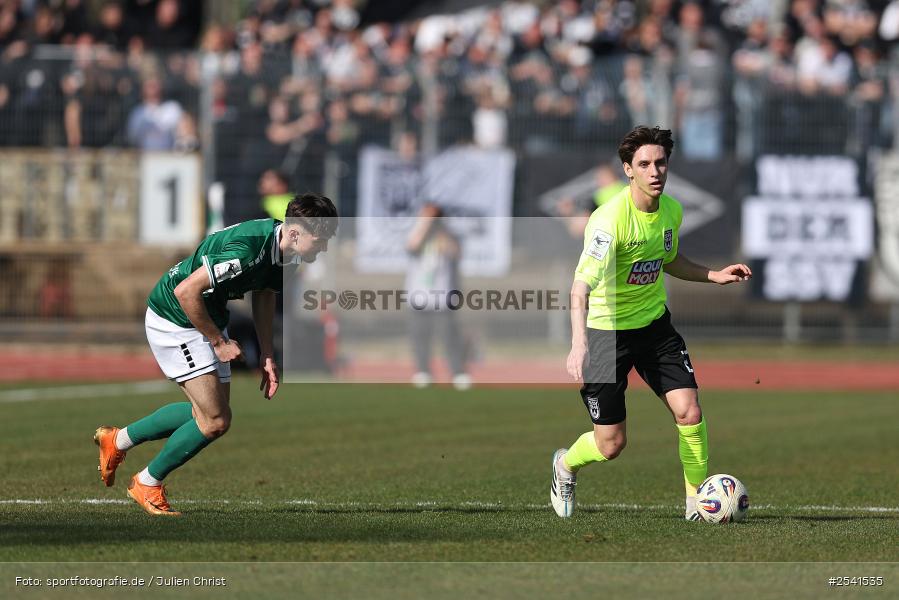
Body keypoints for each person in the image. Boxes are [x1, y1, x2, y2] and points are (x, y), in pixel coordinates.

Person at [550, 126, 751, 520]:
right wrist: (579, 342)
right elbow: (579, 288)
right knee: (611, 444)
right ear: (628, 170)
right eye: (644, 164)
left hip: (655, 328)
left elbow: (669, 259)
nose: (655, 171)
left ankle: (697, 503)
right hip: (606, 335)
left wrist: (714, 275)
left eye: (660, 163)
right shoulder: (609, 222)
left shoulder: (672, 211)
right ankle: (565, 465)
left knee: (689, 411)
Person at [94, 193, 338, 516]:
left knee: (211, 414)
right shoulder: (248, 251)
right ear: (295, 232)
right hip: (176, 318)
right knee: (215, 420)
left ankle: (117, 441)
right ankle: (147, 482)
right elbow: (186, 291)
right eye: (320, 242)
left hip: (207, 316)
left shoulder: (287, 253)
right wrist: (218, 342)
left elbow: (265, 292)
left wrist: (267, 353)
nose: (322, 250)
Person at [405, 203, 470, 391]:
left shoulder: (448, 234)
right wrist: (425, 223)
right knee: (420, 336)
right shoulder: (417, 232)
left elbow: (456, 252)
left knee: (449, 336)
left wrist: (441, 227)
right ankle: (423, 371)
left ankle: (458, 372)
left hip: (443, 295)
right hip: (419, 295)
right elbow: (412, 246)